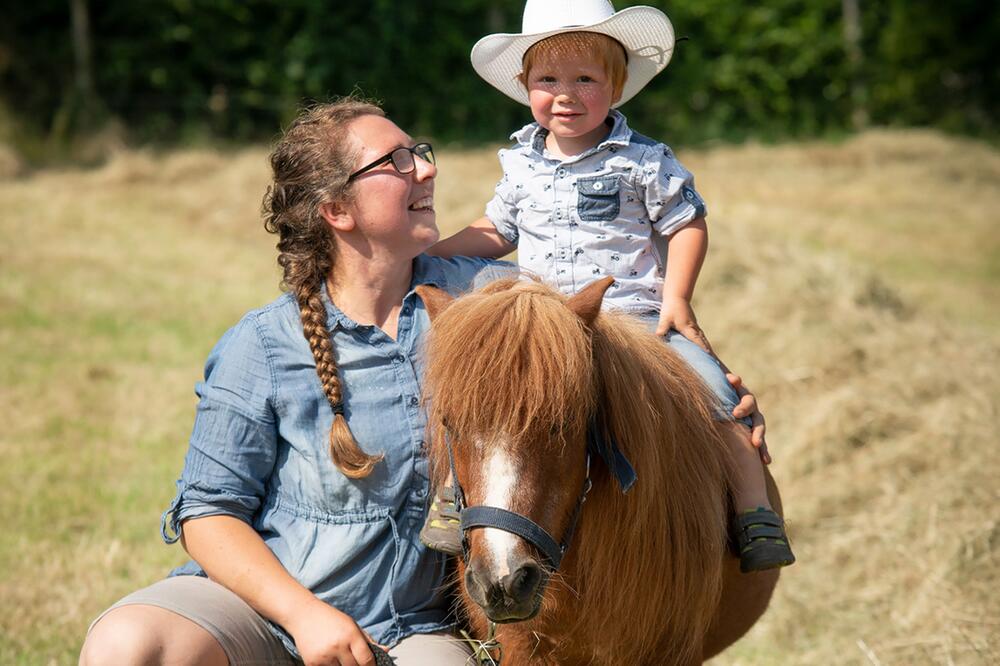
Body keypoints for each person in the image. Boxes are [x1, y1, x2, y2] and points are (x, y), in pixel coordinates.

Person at [78, 98, 513, 666]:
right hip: (259, 611)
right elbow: (209, 513)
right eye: (396, 161)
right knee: (127, 645)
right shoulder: (264, 344)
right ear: (337, 210)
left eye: (420, 154)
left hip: (410, 630)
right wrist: (304, 615)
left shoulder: (486, 305)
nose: (426, 169)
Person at [423, 0, 795, 573]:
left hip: (635, 317)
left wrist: (677, 298)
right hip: (544, 326)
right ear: (525, 85)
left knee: (718, 395)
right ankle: (454, 498)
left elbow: (686, 223)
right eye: (548, 79)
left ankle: (753, 510)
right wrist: (433, 251)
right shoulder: (521, 162)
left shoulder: (642, 160)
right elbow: (496, 231)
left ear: (616, 87)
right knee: (483, 402)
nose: (565, 94)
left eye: (585, 79)